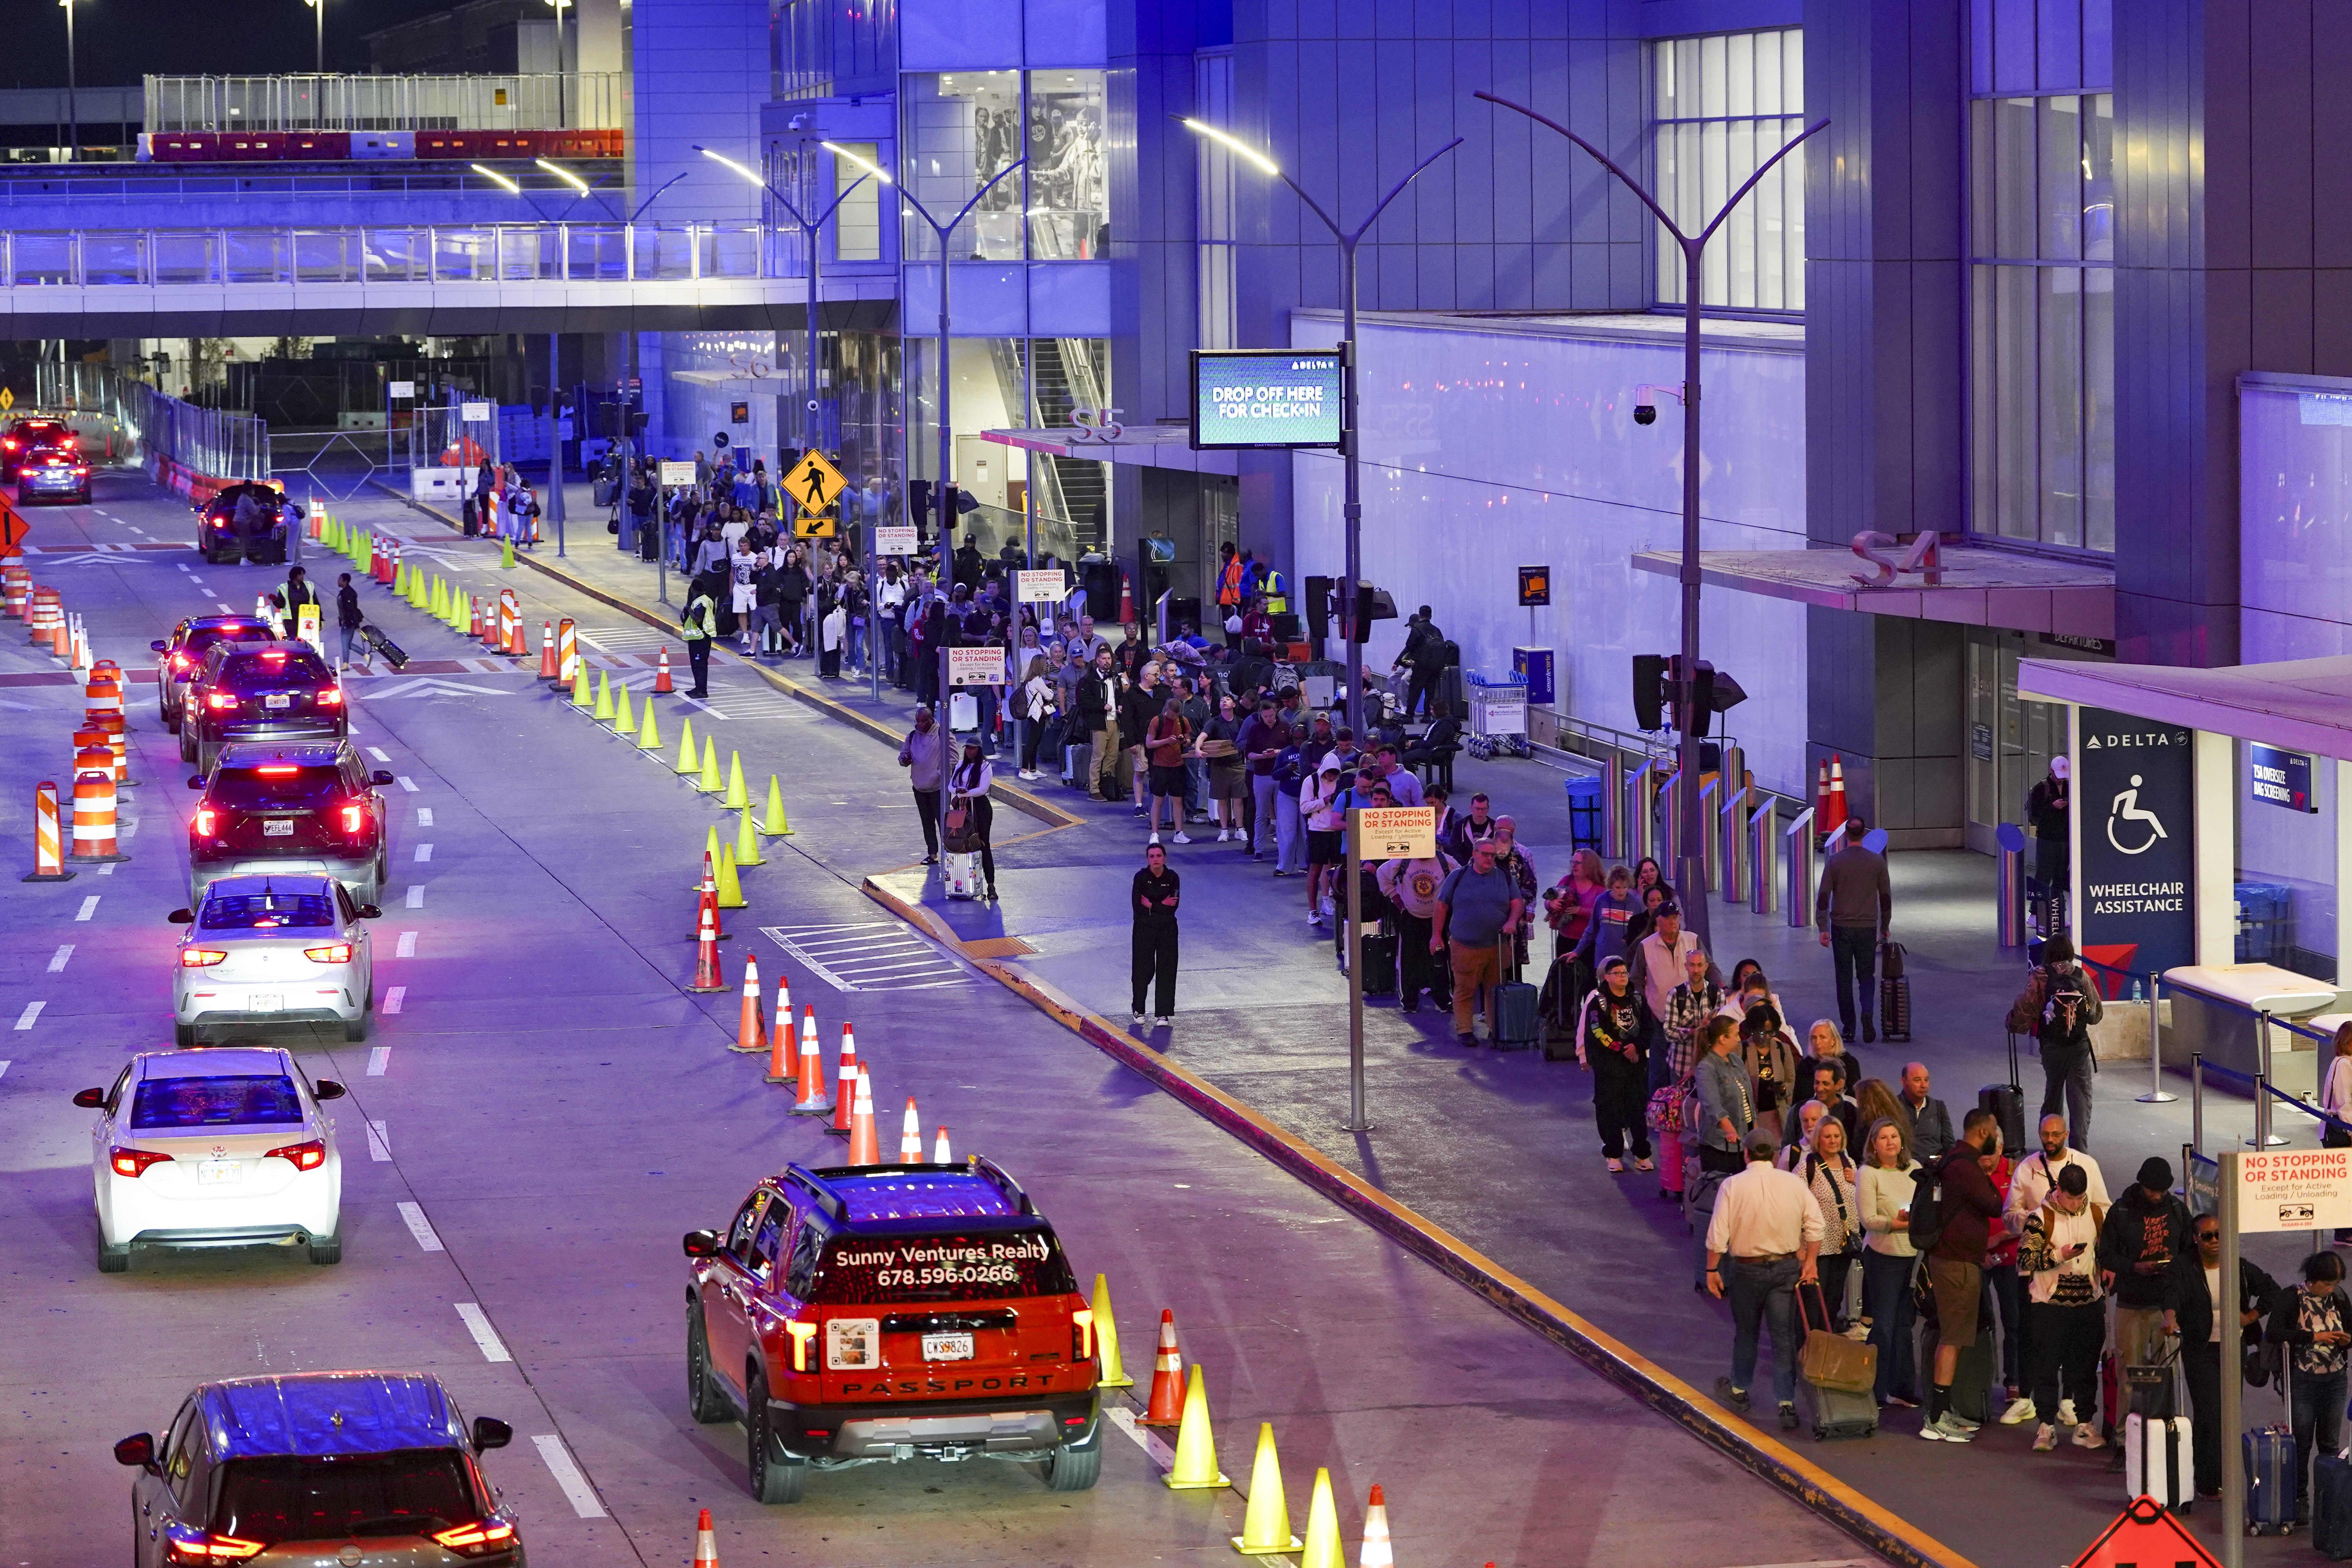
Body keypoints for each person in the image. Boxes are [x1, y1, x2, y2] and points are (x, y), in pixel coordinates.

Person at [1706, 1129, 1825, 1432]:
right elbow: (1815, 1226)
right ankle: (1786, 1404)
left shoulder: (1732, 1185)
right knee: (1783, 1336)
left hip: (1746, 1271)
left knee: (1747, 1332)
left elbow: (1718, 1235)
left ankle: (1739, 1390)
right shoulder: (1794, 1183)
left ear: (1746, 1154)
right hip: (1786, 1269)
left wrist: (1712, 1271)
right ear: (1774, 1155)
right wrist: (1810, 1262)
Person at [1920, 1108, 2009, 1443]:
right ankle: (1936, 1419)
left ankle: (1943, 1411)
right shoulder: (1965, 1166)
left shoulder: (1954, 1159)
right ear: (1984, 1133)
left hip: (1954, 1261)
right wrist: (1986, 1172)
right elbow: (1995, 1204)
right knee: (1953, 1339)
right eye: (1995, 1132)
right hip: (1956, 1265)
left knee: (1953, 1336)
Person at [2185, 1214, 2280, 1497]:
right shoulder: (2185, 1268)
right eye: (2207, 1236)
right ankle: (2206, 1480)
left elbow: (2272, 1291)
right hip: (2199, 1349)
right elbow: (2172, 1296)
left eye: (2219, 1235)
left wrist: (2251, 1317)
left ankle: (2223, 1477)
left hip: (2232, 1347)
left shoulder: (2238, 1266)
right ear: (2195, 1239)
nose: (2214, 1241)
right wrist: (2171, 1318)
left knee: (2229, 1413)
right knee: (2208, 1414)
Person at [2017, 1162, 2107, 1453]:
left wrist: (2108, 1270)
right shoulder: (2040, 1217)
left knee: (2084, 1368)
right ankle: (2046, 1427)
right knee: (2045, 1366)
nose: (2077, 1203)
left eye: (2081, 1198)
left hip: (2089, 1303)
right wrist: (2059, 1255)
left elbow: (2105, 1251)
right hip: (2048, 1306)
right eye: (2071, 1198)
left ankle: (2085, 1424)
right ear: (2059, 1190)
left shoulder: (2095, 1213)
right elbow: (2025, 1261)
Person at [2268, 1250, 2352, 1523]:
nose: (2331, 1289)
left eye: (2335, 1284)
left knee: (2329, 1444)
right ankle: (2299, 1499)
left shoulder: (2339, 1299)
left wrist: (2344, 1341)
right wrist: (2313, 1336)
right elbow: (2275, 1332)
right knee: (2301, 1442)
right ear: (2313, 1280)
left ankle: (2329, 1499)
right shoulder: (2291, 1298)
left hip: (2335, 1378)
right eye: (2328, 1284)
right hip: (2303, 1380)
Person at [2098, 1156, 2190, 1374]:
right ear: (2141, 1184)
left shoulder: (2178, 1210)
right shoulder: (2121, 1211)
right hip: (2131, 1305)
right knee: (2128, 1375)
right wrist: (2134, 1267)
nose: (2157, 1197)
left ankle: (2162, 1411)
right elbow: (2106, 1255)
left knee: (2167, 1374)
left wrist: (2174, 1266)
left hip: (2167, 1308)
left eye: (2162, 1191)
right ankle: (2128, 1411)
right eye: (2152, 1192)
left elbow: (2189, 1254)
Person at [1432, 836, 1524, 1048]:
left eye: (1492, 855)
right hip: (1465, 946)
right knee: (1465, 989)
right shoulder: (1458, 877)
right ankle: (1465, 1030)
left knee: (1495, 990)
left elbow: (1517, 903)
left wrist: (1512, 921)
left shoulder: (1504, 877)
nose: (1489, 858)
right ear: (1474, 855)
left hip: (1497, 946)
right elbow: (1441, 907)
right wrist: (1436, 935)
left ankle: (1496, 1029)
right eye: (1485, 854)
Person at [1857, 1116, 1921, 1408]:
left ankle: (1903, 1388)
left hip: (1913, 1258)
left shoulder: (1916, 1170)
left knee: (1905, 1326)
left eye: (1894, 1136)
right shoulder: (1869, 1173)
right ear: (1874, 1143)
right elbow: (1868, 1220)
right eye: (1883, 1138)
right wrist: (1901, 1223)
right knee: (1883, 1326)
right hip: (1883, 1259)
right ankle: (1876, 1390)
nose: (1890, 1142)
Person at [1815, 811, 1893, 1044]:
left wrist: (1823, 927)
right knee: (1867, 976)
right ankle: (1867, 1013)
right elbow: (1886, 897)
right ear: (1865, 834)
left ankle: (1849, 1027)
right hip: (1867, 927)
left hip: (1841, 926)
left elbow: (1823, 896)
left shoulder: (1835, 861)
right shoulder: (1877, 862)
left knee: (1844, 977)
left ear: (1846, 834)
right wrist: (1885, 926)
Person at [1575, 956, 1653, 1173]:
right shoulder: (1597, 1002)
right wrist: (1621, 1049)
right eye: (1617, 973)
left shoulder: (1637, 999)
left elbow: (1648, 1028)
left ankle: (1642, 1153)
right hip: (1609, 1067)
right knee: (1609, 1109)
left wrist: (1637, 1047)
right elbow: (1596, 1031)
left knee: (1637, 1109)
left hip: (1636, 1065)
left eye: (1625, 972)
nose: (1623, 976)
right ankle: (1613, 1154)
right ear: (1607, 977)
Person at [2027, 935, 2103, 1149]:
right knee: (2080, 1099)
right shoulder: (2081, 976)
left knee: (2053, 1092)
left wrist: (2013, 1023)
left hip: (2051, 1048)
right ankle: (2079, 1148)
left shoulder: (2040, 977)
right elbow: (2096, 1015)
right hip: (2078, 1048)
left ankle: (2051, 1144)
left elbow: (2027, 1010)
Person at [1378, 840, 1457, 1016]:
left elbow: (1460, 879)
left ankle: (1444, 1001)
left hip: (1438, 919)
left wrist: (1451, 904)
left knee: (1440, 960)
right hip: (1410, 918)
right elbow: (1381, 874)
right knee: (1409, 961)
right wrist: (1395, 898)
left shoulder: (1446, 861)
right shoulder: (1403, 861)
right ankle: (1410, 1002)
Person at [1800, 1114, 1863, 1327]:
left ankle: (1827, 1347)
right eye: (1828, 1136)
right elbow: (1794, 1202)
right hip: (1818, 1246)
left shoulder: (1850, 1163)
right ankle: (1809, 1348)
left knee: (1834, 1301)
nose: (1833, 1140)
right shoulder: (1807, 1166)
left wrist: (1857, 1181)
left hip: (1843, 1245)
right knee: (1813, 1302)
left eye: (1837, 1136)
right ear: (1819, 1139)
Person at [1695, 1016, 1754, 1178]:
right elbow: (1713, 1106)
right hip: (1720, 1145)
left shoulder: (1735, 1059)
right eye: (1735, 1034)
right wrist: (1731, 1132)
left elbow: (1747, 1097)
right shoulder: (1706, 1068)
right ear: (1723, 1038)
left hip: (1743, 1141)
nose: (1739, 1038)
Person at [1661, 946, 1726, 1080]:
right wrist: (1697, 1031)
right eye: (1692, 965)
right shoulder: (1675, 995)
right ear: (1686, 966)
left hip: (1710, 1066)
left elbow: (1721, 1030)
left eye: (1700, 965)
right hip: (1681, 1066)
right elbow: (1668, 1032)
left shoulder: (1718, 994)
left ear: (1706, 967)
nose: (1696, 970)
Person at [946, 738, 998, 899]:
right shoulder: (961, 764)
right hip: (963, 808)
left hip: (980, 808)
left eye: (973, 748)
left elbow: (983, 789)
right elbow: (950, 786)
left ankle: (991, 886)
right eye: (968, 748)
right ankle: (966, 884)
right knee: (962, 842)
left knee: (983, 843)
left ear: (979, 750)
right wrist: (960, 792)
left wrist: (963, 793)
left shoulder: (985, 766)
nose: (970, 751)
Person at [897, 706, 946, 864]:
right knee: (927, 823)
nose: (920, 725)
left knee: (944, 822)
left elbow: (952, 759)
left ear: (931, 720)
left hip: (938, 788)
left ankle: (949, 852)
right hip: (919, 787)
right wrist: (904, 760)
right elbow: (903, 756)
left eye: (923, 722)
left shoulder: (942, 734)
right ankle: (933, 854)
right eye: (917, 721)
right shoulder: (912, 736)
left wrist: (938, 775)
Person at [1302, 757, 1346, 927]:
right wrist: (1325, 801)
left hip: (1336, 831)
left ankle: (1332, 903)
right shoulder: (1311, 781)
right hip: (1317, 831)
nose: (1332, 777)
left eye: (1335, 774)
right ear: (1324, 770)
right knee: (1315, 870)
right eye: (1330, 773)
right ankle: (1313, 911)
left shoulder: (1341, 782)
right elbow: (1304, 807)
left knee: (1338, 871)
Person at [1574, 864, 1641, 973]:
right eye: (1618, 888)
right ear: (1611, 886)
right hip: (1603, 957)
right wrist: (1577, 951)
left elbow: (1640, 932)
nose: (1622, 892)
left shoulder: (1635, 904)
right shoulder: (1601, 901)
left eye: (1625, 888)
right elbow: (1592, 929)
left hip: (1625, 959)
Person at [2027, 756, 2070, 921]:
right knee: (2044, 875)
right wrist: (2052, 807)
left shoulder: (2069, 787)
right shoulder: (2041, 788)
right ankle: (2035, 913)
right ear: (2051, 771)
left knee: (2060, 876)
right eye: (2058, 775)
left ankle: (2058, 913)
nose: (2061, 779)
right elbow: (2035, 816)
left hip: (2064, 839)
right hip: (2047, 838)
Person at [1145, 697, 1192, 846]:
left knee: (1178, 800)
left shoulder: (1183, 721)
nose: (1174, 718)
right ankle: (1155, 833)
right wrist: (1167, 741)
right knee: (1158, 800)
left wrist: (1183, 741)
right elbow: (1149, 743)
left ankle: (1179, 833)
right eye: (1172, 716)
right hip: (1160, 765)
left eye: (1176, 716)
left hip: (1178, 765)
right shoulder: (1157, 721)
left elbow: (1189, 739)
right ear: (1167, 710)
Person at [1899, 1062, 1955, 1161]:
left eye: (1926, 1080)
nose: (1924, 1085)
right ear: (1904, 1082)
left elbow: (1950, 1144)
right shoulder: (1893, 1107)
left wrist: (1944, 1158)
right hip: (1904, 1166)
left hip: (1934, 1168)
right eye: (1917, 1080)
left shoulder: (1939, 1107)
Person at [679, 573, 718, 699]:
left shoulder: (699, 602)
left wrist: (689, 610)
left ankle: (702, 690)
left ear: (693, 589)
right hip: (701, 637)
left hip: (700, 638)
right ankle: (698, 687)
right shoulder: (708, 599)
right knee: (698, 664)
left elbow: (698, 619)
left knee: (699, 665)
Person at [334, 571, 366, 670]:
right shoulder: (345, 592)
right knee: (348, 644)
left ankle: (346, 664)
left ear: (345, 581)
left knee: (345, 644)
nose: (338, 581)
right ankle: (365, 656)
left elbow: (352, 610)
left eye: (340, 580)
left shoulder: (348, 594)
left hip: (349, 622)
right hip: (348, 621)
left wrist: (356, 625)